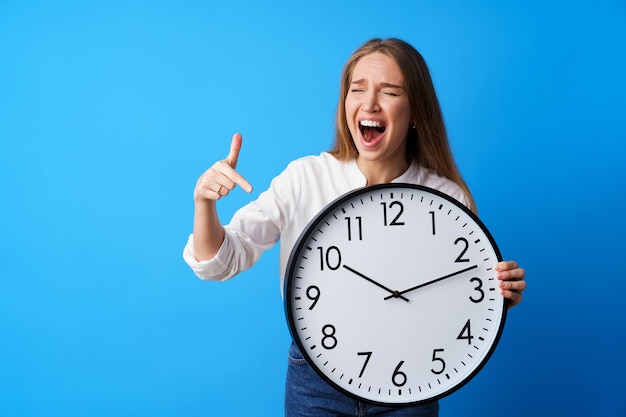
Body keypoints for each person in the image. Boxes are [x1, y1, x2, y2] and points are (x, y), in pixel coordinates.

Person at [183, 38, 526, 417]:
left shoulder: (445, 196)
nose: (370, 103)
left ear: (415, 112)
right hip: (315, 381)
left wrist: (497, 296)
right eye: (357, 89)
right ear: (345, 103)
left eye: (390, 91)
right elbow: (222, 260)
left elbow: (461, 298)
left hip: (412, 379)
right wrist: (204, 203)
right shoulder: (306, 178)